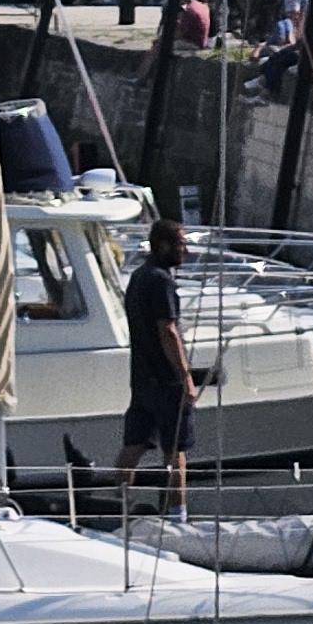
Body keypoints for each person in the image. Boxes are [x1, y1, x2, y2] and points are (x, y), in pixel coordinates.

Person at [114, 218, 197, 517]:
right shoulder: (161, 280)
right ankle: (179, 516)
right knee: (176, 452)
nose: (185, 250)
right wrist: (185, 377)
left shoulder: (138, 277)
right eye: (181, 243)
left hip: (141, 380)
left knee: (133, 446)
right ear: (162, 244)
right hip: (166, 381)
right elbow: (168, 331)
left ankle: (121, 507)